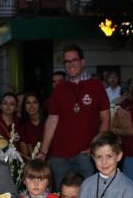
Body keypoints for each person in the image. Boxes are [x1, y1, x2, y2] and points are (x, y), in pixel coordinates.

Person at [37, 45, 110, 190]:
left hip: (86, 154)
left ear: (82, 62)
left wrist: (96, 147)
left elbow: (106, 119)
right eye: (67, 61)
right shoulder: (59, 88)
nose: (71, 64)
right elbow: (52, 121)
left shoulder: (96, 86)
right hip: (59, 156)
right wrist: (43, 152)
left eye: (74, 60)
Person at [19, 92, 45, 161]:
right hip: (35, 163)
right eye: (28, 103)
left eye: (34, 102)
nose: (31, 106)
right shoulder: (23, 127)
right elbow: (25, 153)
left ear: (39, 104)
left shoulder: (48, 122)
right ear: (24, 106)